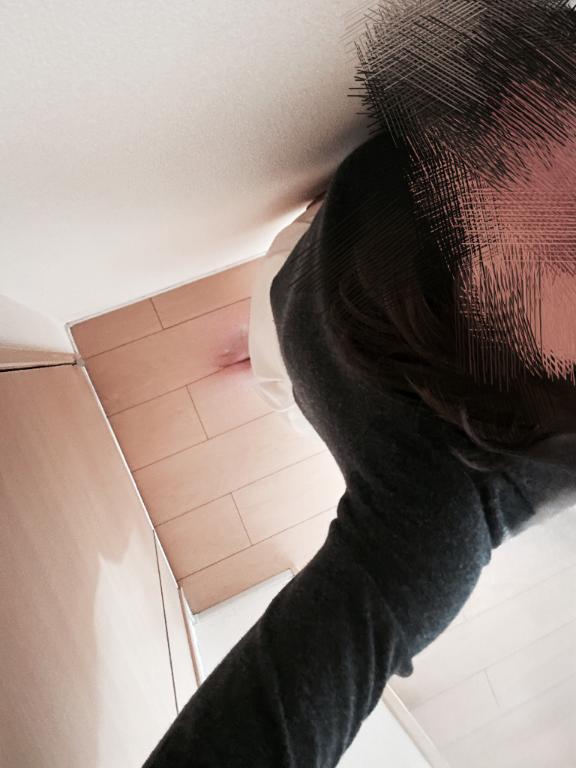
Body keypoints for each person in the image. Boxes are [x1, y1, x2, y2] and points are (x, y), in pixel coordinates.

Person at [142, 2, 576, 765]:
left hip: (314, 338)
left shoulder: (436, 522)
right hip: (307, 289)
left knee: (282, 360)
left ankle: (269, 358)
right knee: (283, 320)